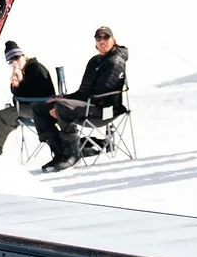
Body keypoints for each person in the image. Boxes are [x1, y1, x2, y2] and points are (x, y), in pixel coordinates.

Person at [30, 26, 128, 172]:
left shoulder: (115, 61)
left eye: (106, 37)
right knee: (39, 108)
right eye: (98, 38)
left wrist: (64, 106)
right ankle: (60, 152)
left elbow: (102, 95)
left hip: (106, 110)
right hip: (88, 105)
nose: (102, 41)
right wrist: (62, 99)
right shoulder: (95, 61)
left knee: (62, 107)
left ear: (114, 40)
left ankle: (72, 155)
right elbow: (83, 92)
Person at [0, 40, 56, 157]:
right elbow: (24, 92)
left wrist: (19, 86)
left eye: (17, 57)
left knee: (1, 117)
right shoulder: (25, 70)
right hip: (32, 106)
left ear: (23, 56)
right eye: (11, 60)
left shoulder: (36, 68)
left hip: (42, 108)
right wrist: (17, 84)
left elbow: (41, 92)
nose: (15, 62)